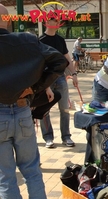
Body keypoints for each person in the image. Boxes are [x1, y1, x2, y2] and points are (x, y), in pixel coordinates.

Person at [0, 4, 68, 199]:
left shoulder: (28, 40)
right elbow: (59, 62)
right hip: (22, 111)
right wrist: (35, 87)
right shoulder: (27, 41)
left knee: (5, 176)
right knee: (31, 170)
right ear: (6, 19)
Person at [39, 17, 79, 148]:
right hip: (46, 79)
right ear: (46, 22)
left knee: (64, 109)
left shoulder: (60, 40)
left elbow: (67, 58)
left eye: (58, 20)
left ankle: (66, 137)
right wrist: (43, 84)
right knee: (45, 109)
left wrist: (74, 74)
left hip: (61, 77)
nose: (57, 22)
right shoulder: (40, 41)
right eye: (53, 20)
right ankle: (48, 137)